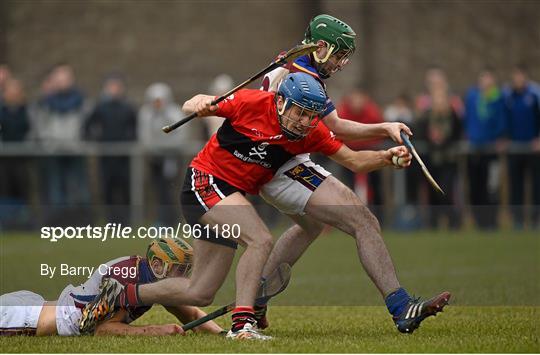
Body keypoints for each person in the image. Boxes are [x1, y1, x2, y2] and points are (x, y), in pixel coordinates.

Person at [79, 72, 419, 340]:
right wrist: (200, 105)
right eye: (299, 111)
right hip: (205, 183)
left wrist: (387, 158)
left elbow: (354, 161)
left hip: (226, 196)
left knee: (199, 293)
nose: (303, 121)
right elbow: (193, 102)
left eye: (310, 115)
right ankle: (242, 326)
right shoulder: (250, 103)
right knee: (260, 238)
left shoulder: (310, 131)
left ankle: (123, 293)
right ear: (282, 102)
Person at [256, 14, 450, 334]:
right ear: (320, 47)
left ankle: (256, 300)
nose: (340, 64)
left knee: (312, 225)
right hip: (280, 164)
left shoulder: (295, 61)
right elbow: (338, 127)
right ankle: (401, 307)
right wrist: (384, 127)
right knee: (362, 219)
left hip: (281, 160)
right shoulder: (303, 73)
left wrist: (384, 128)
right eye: (337, 55)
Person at [0, 238, 223, 336]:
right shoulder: (129, 278)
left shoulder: (152, 279)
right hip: (26, 318)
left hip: (37, 304)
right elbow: (104, 330)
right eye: (180, 270)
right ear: (157, 265)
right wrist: (155, 330)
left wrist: (225, 335)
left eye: (186, 271)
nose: (184, 277)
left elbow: (191, 312)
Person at [84, 74, 137, 224]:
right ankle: (111, 220)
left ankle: (126, 221)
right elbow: (88, 126)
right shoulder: (100, 107)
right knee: (107, 189)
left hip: (123, 156)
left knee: (125, 188)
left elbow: (134, 128)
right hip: (106, 156)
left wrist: (129, 140)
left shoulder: (127, 108)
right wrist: (96, 139)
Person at [464, 68, 506, 229]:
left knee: (492, 187)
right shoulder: (473, 96)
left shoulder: (498, 97)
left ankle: (491, 222)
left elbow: (501, 121)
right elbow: (467, 119)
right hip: (474, 149)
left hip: (491, 151)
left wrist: (500, 137)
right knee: (475, 186)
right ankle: (478, 221)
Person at [416, 85, 462, 228]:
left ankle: (453, 222)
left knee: (446, 191)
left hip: (448, 160)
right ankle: (433, 223)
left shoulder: (452, 116)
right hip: (431, 161)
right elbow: (421, 134)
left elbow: (457, 134)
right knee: (432, 193)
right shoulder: (427, 116)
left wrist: (443, 141)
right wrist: (433, 141)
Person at [503, 65, 540, 229]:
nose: (518, 79)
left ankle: (535, 220)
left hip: (533, 148)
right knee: (515, 186)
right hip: (514, 148)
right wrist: (505, 138)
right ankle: (517, 220)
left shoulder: (534, 94)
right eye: (515, 76)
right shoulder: (508, 96)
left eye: (520, 76)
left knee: (536, 185)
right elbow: (505, 120)